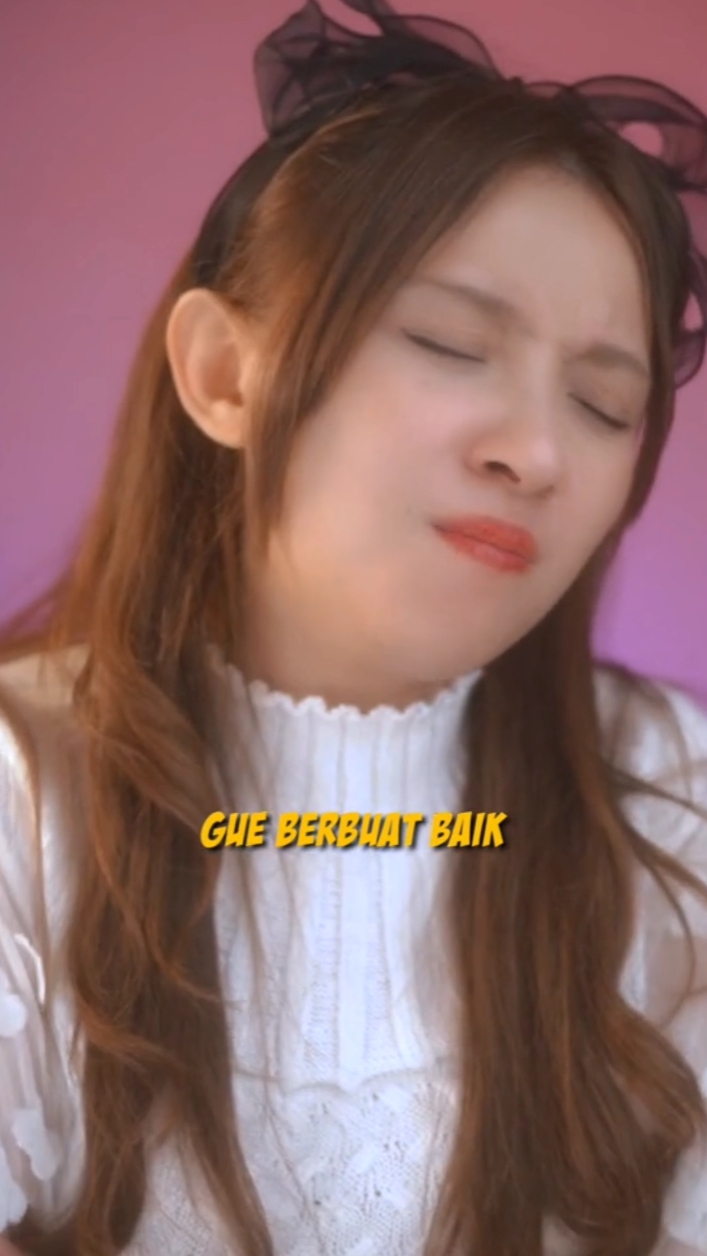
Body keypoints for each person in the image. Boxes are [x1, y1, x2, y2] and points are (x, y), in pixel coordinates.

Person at [1, 1, 707, 1253]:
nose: (536, 451)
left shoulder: (671, 801)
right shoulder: (25, 796)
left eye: (604, 405)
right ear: (224, 373)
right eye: (449, 343)